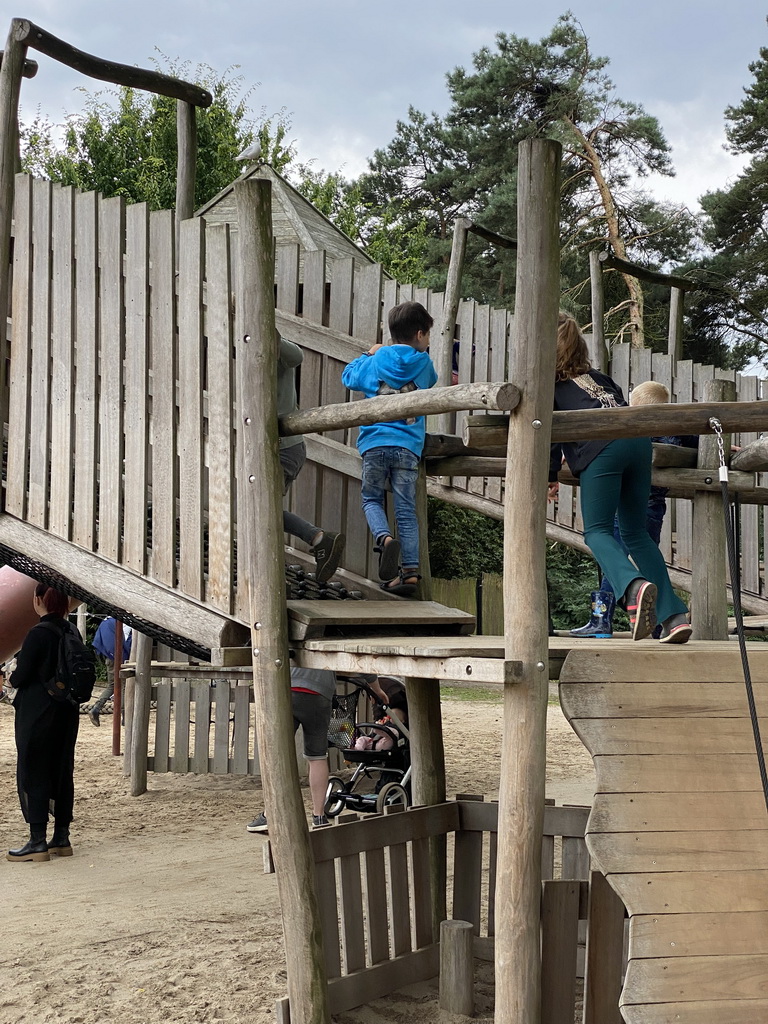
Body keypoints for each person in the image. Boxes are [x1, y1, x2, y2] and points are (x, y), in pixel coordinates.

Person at [548, 313, 691, 644]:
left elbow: (549, 431)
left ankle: (633, 587)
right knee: (636, 533)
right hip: (639, 444)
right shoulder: (601, 378)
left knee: (597, 531)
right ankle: (675, 618)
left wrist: (550, 474)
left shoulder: (551, 386)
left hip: (605, 446)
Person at [570, 380, 698, 639]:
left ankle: (601, 619)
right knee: (644, 550)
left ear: (633, 402)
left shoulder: (631, 423)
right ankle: (671, 620)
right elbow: (696, 441)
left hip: (622, 501)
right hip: (654, 506)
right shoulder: (672, 426)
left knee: (613, 561)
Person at [342, 301, 438, 597]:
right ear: (420, 334)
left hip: (375, 443)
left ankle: (384, 539)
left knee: (371, 498)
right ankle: (410, 574)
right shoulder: (423, 363)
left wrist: (369, 353)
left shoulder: (374, 361)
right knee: (406, 511)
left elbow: (348, 376)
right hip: (408, 447)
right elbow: (431, 382)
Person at [246, 668, 389, 833]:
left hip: (286, 686)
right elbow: (360, 662)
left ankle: (270, 814)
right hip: (319, 692)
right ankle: (319, 816)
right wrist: (376, 690)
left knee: (277, 753)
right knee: (317, 756)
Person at [7, 583, 81, 862]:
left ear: (39, 600)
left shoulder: (38, 633)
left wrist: (10, 679)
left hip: (37, 711)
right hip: (67, 709)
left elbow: (22, 675)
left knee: (33, 767)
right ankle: (61, 838)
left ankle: (37, 841)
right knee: (62, 768)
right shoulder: (70, 630)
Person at [279, 334, 345, 582]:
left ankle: (319, 538)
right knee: (262, 510)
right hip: (285, 447)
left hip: (283, 447)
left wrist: (272, 338)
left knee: (259, 511)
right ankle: (319, 539)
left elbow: (297, 355)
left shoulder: (274, 344)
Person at [87, 617, 133, 726]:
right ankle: (125, 716)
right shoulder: (124, 622)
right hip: (119, 657)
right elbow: (126, 641)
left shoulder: (106, 621)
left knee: (112, 685)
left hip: (109, 657)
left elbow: (98, 641)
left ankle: (96, 708)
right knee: (123, 685)